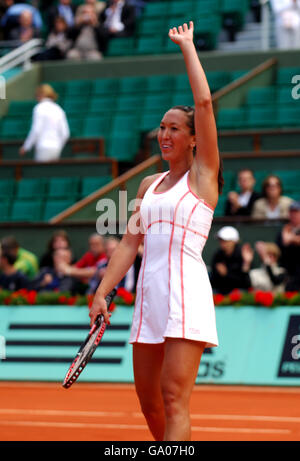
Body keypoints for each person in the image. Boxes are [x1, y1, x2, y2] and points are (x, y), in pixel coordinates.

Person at [89, 22, 222, 441]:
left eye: (174, 129)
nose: (164, 134)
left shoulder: (203, 176)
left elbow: (203, 101)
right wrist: (102, 290)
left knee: (172, 397)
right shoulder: (148, 185)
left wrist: (187, 47)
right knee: (148, 404)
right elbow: (130, 242)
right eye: (161, 128)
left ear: (193, 139)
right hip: (149, 297)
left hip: (186, 294)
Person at [19, 84, 70, 162]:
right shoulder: (59, 109)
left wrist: (26, 147)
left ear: (40, 94)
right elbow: (65, 134)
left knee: (40, 172)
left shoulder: (39, 108)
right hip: (56, 147)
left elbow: (36, 130)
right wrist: (58, 146)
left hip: (43, 147)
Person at [210, 226, 252, 295]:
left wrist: (226, 274)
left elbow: (245, 283)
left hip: (238, 293)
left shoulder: (243, 254)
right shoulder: (217, 255)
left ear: (234, 241)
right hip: (220, 292)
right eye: (221, 240)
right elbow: (214, 280)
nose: (222, 243)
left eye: (225, 241)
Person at [276, 200, 300, 291]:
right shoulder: (283, 231)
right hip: (287, 272)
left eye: (296, 212)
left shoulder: (287, 232)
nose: (293, 215)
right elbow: (278, 249)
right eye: (291, 212)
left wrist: (292, 239)